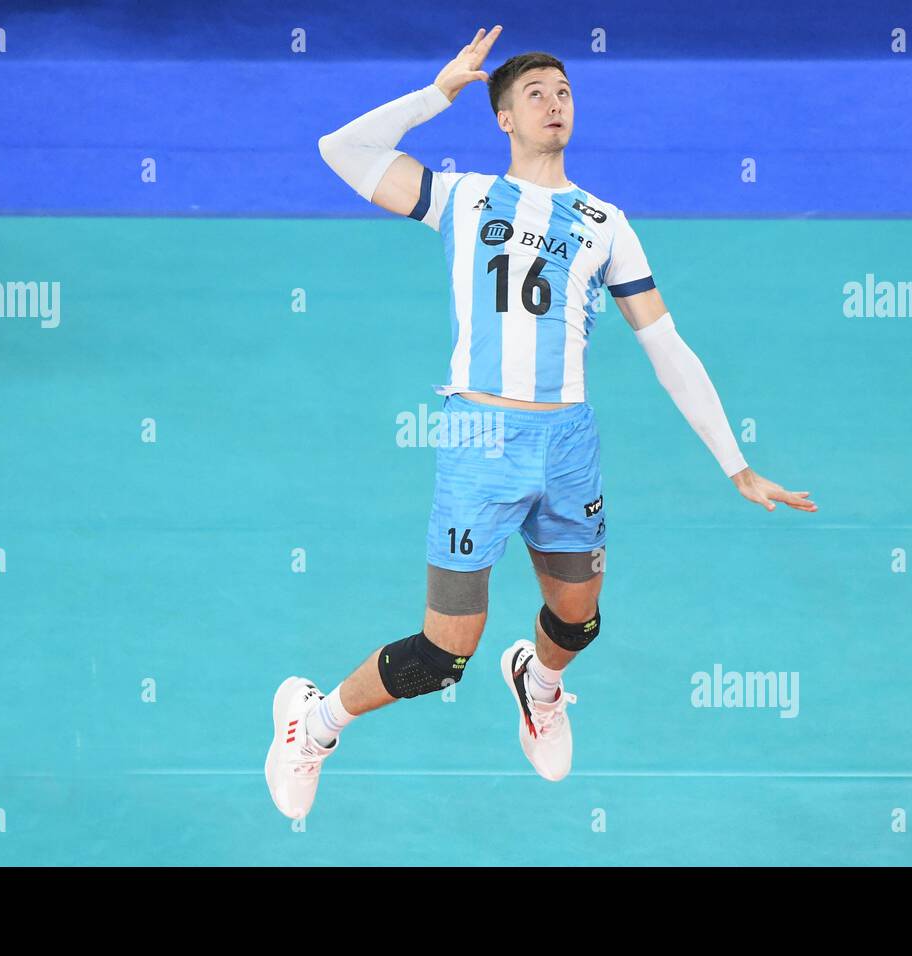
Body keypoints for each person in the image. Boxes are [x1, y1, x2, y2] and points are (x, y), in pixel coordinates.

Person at [265, 26, 817, 819]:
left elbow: (664, 344)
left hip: (568, 445)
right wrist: (437, 91)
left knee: (576, 618)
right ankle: (311, 725)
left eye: (564, 93)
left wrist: (735, 463)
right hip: (479, 440)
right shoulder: (464, 197)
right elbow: (340, 150)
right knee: (445, 653)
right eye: (535, 94)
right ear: (502, 118)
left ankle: (540, 684)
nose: (555, 104)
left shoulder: (604, 222)